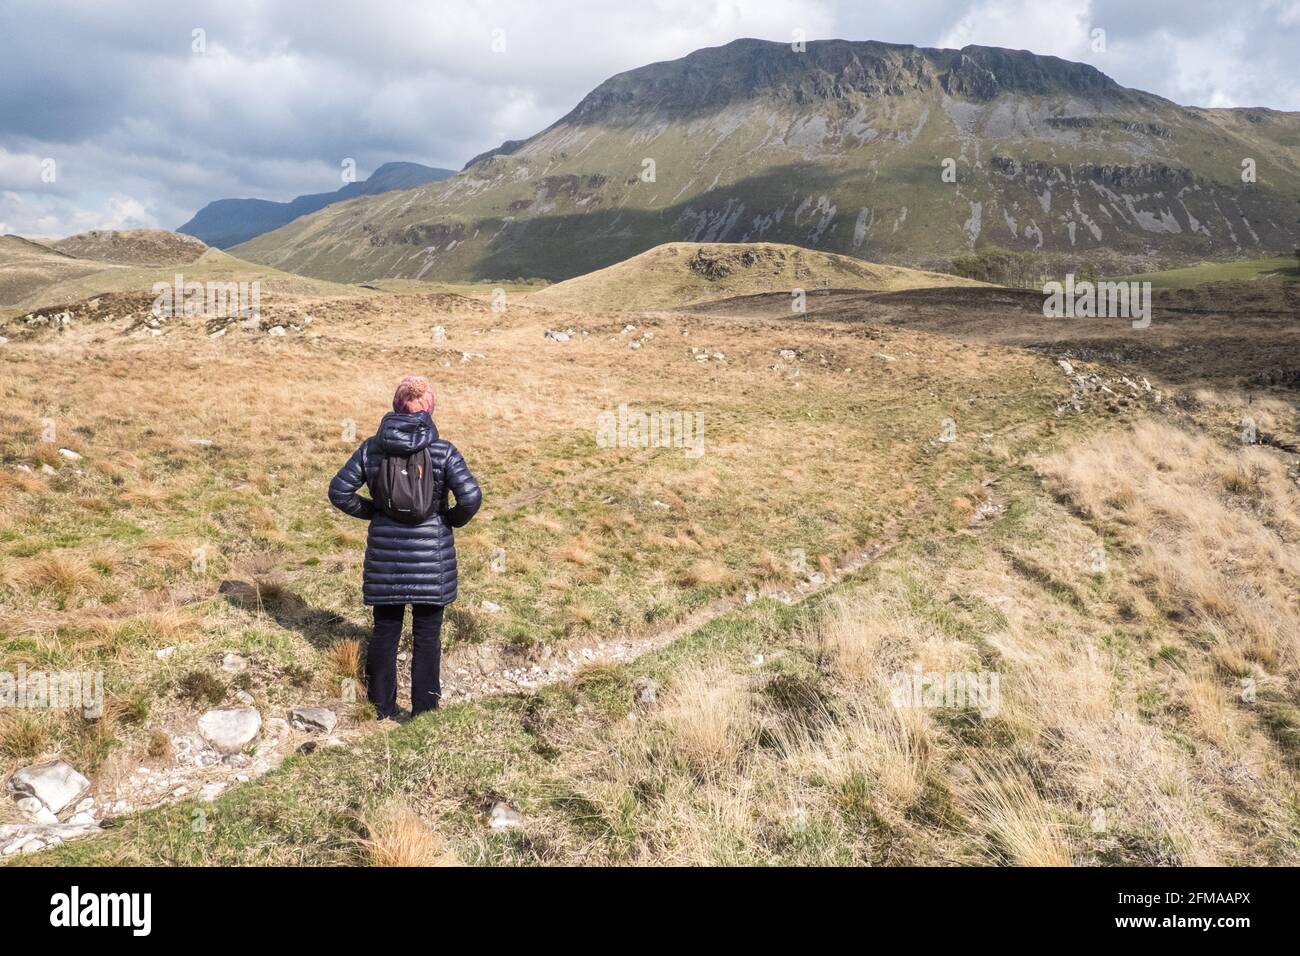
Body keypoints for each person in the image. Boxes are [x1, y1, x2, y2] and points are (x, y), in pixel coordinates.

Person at [328, 376, 481, 719]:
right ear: (430, 408)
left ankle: (380, 709)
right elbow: (471, 496)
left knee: (385, 631)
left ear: (396, 406)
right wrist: (449, 521)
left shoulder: (372, 448)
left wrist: (374, 512)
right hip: (433, 559)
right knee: (428, 635)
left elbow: (339, 491)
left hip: (386, 561)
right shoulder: (443, 450)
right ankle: (425, 711)